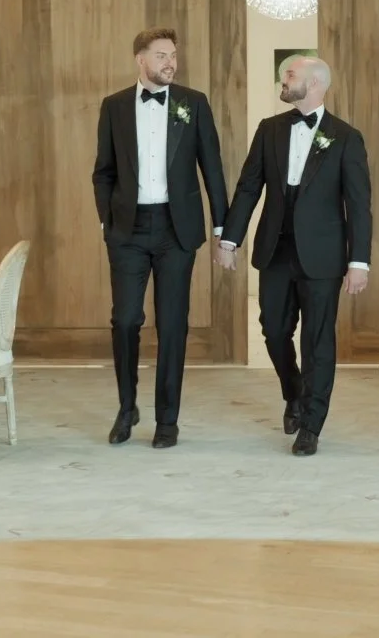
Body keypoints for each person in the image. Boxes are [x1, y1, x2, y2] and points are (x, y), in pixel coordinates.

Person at [216, 56, 372, 456]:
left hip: (323, 256)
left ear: (315, 83)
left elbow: (358, 205)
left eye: (290, 74)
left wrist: (359, 261)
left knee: (318, 340)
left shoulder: (346, 137)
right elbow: (248, 187)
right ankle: (294, 391)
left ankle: (311, 425)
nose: (283, 79)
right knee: (273, 329)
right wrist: (230, 240)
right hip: (276, 249)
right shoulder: (269, 130)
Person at [93, 28, 228, 448]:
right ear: (140, 59)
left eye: (173, 55)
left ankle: (167, 420)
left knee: (172, 325)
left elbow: (212, 168)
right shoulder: (114, 106)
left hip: (176, 229)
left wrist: (222, 229)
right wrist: (107, 221)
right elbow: (103, 172)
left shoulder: (194, 102)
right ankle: (126, 407)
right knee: (125, 320)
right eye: (161, 55)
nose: (171, 62)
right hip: (128, 230)